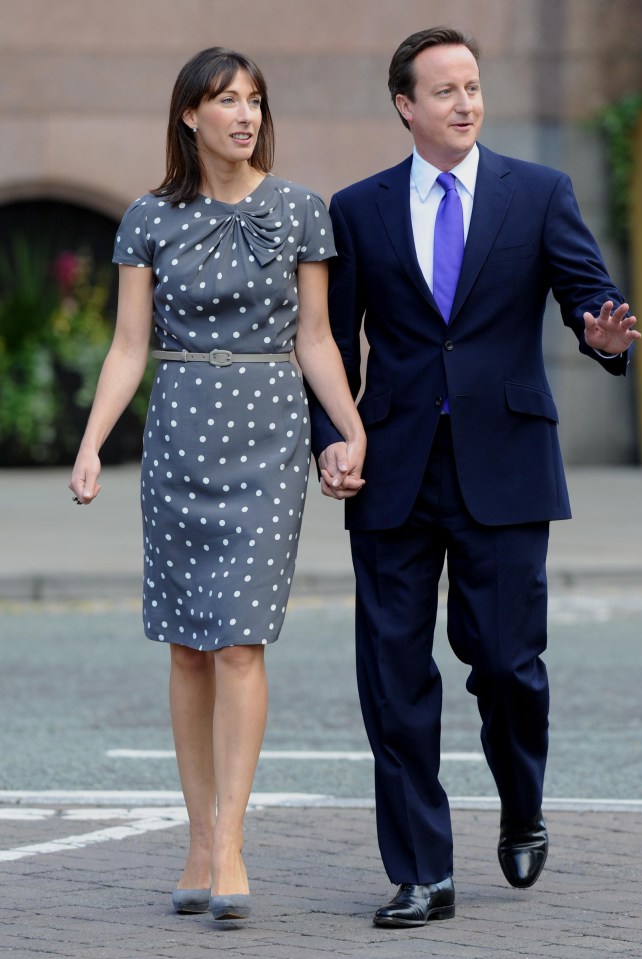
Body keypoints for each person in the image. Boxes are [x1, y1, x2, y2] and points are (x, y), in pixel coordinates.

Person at [308, 26, 640, 928]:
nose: (465, 102)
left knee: (505, 662)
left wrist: (599, 334)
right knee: (393, 674)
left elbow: (586, 294)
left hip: (505, 462)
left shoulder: (537, 193)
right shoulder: (358, 208)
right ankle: (422, 870)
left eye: (474, 87)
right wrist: (332, 439)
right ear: (405, 106)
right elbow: (333, 341)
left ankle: (522, 801)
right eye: (445, 90)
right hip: (392, 467)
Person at [69, 47, 365, 922]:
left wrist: (349, 425)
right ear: (189, 115)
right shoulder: (147, 219)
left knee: (239, 641)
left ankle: (230, 840)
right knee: (188, 645)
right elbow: (129, 346)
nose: (244, 114)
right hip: (180, 437)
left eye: (254, 99)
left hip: (268, 435)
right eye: (225, 100)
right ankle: (198, 836)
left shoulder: (301, 210)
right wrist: (91, 444)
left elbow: (316, 337)